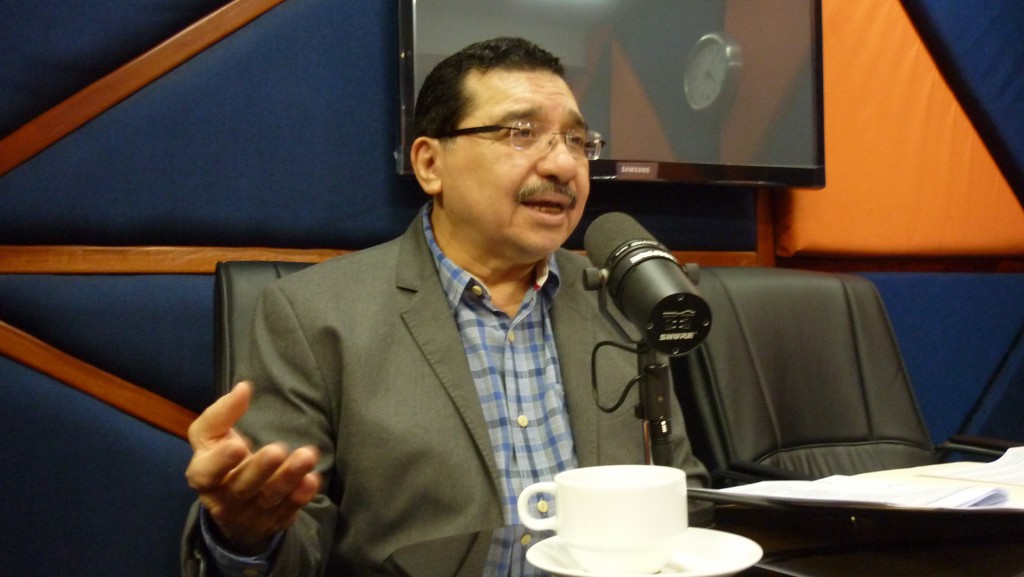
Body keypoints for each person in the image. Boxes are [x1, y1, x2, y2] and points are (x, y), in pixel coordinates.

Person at [181, 36, 708, 576]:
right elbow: (292, 544)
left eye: (576, 140)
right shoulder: (315, 316)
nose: (562, 164)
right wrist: (247, 535)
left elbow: (682, 493)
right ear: (431, 164)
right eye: (521, 133)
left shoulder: (621, 298)